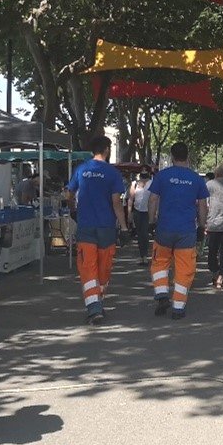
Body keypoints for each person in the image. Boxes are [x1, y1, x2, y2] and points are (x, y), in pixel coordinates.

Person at [66, 135, 129, 325]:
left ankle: (94, 307)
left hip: (86, 226)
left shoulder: (81, 170)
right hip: (106, 227)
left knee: (88, 267)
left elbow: (69, 194)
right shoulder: (112, 173)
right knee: (104, 266)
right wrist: (124, 227)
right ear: (107, 150)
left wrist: (73, 209)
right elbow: (116, 203)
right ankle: (97, 302)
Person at [147, 142, 208, 319]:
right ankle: (178, 308)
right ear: (187, 156)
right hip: (186, 231)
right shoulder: (196, 178)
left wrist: (151, 222)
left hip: (164, 228)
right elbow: (203, 206)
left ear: (172, 157)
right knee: (184, 268)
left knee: (159, 263)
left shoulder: (162, 176)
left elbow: (152, 200)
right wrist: (202, 226)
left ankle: (162, 295)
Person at [126, 169, 154, 264]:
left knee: (145, 234)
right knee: (139, 234)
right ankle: (142, 255)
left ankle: (145, 255)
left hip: (148, 212)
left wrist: (155, 213)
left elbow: (156, 199)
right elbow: (130, 199)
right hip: (137, 212)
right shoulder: (134, 184)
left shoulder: (152, 183)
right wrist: (129, 213)